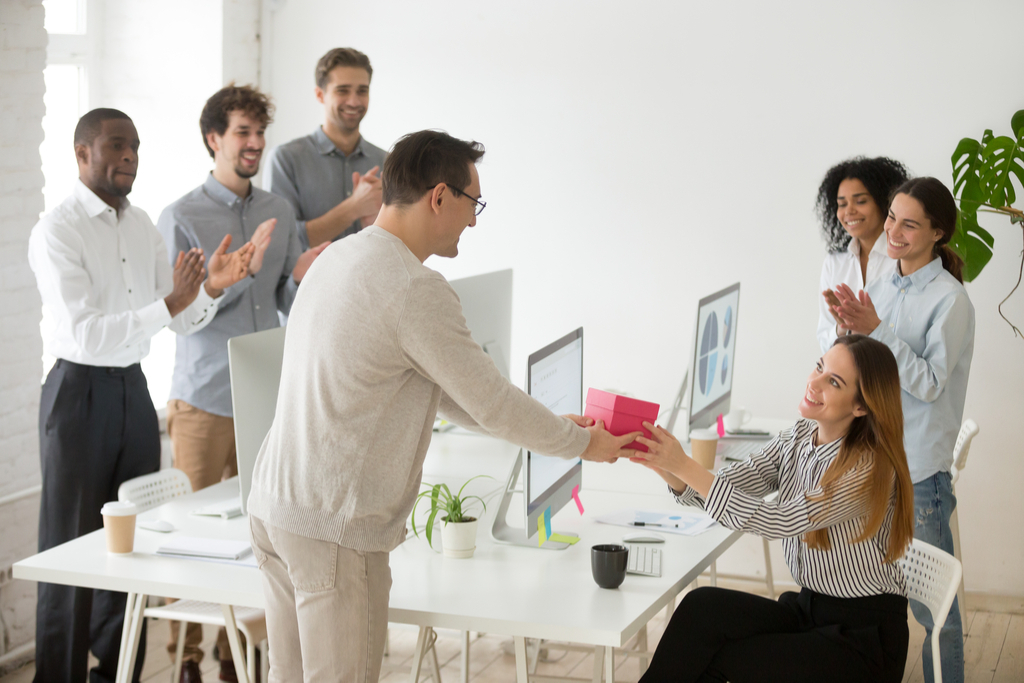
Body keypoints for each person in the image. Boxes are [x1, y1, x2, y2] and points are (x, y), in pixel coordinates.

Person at [246, 130, 639, 681]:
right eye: (472, 203)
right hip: (332, 527)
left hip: (274, 509)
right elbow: (493, 401)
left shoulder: (337, 257)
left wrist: (555, 427)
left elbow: (455, 395)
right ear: (439, 197)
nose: (474, 221)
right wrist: (582, 444)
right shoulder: (414, 287)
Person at [28, 108, 253, 683]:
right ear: (82, 154)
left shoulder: (141, 223)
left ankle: (116, 671)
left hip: (132, 388)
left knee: (131, 539)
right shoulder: (58, 229)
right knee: (69, 549)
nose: (129, 156)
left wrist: (209, 290)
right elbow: (86, 331)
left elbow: (178, 320)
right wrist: (171, 304)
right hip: (77, 390)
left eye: (135, 147)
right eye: (116, 146)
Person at [155, 84, 325, 683]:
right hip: (202, 399)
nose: (254, 144)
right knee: (192, 541)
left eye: (259, 134)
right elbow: (176, 317)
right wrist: (221, 283)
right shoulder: (180, 217)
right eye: (242, 134)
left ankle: (236, 654)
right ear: (214, 139)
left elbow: (283, 300)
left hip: (265, 401)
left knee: (258, 538)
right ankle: (187, 661)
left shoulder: (276, 210)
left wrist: (301, 274)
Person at [632, 334, 915, 683]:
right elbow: (734, 480)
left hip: (862, 637)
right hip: (810, 608)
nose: (814, 383)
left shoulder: (867, 469)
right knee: (700, 609)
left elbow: (778, 520)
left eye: (833, 382)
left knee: (720, 660)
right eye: (819, 367)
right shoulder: (799, 436)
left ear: (861, 406)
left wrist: (685, 465)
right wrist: (668, 467)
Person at [831, 177, 975, 683]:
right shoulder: (883, 281)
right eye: (891, 217)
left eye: (909, 224)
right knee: (871, 597)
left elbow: (931, 385)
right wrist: (847, 331)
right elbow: (870, 368)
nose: (892, 230)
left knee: (934, 614)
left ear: (937, 233)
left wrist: (876, 331)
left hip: (917, 477)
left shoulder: (950, 301)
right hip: (877, 464)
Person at [266, 47, 385, 249]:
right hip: (312, 282)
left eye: (362, 91)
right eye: (343, 90)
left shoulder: (387, 162)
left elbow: (403, 245)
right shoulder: (286, 159)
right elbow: (284, 244)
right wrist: (353, 208)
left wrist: (376, 226)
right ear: (320, 95)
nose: (354, 101)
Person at [816, 156, 910, 352]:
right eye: (842, 204)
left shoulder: (904, 258)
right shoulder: (834, 263)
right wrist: (843, 328)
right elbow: (824, 339)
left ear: (884, 202)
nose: (849, 211)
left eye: (860, 201)